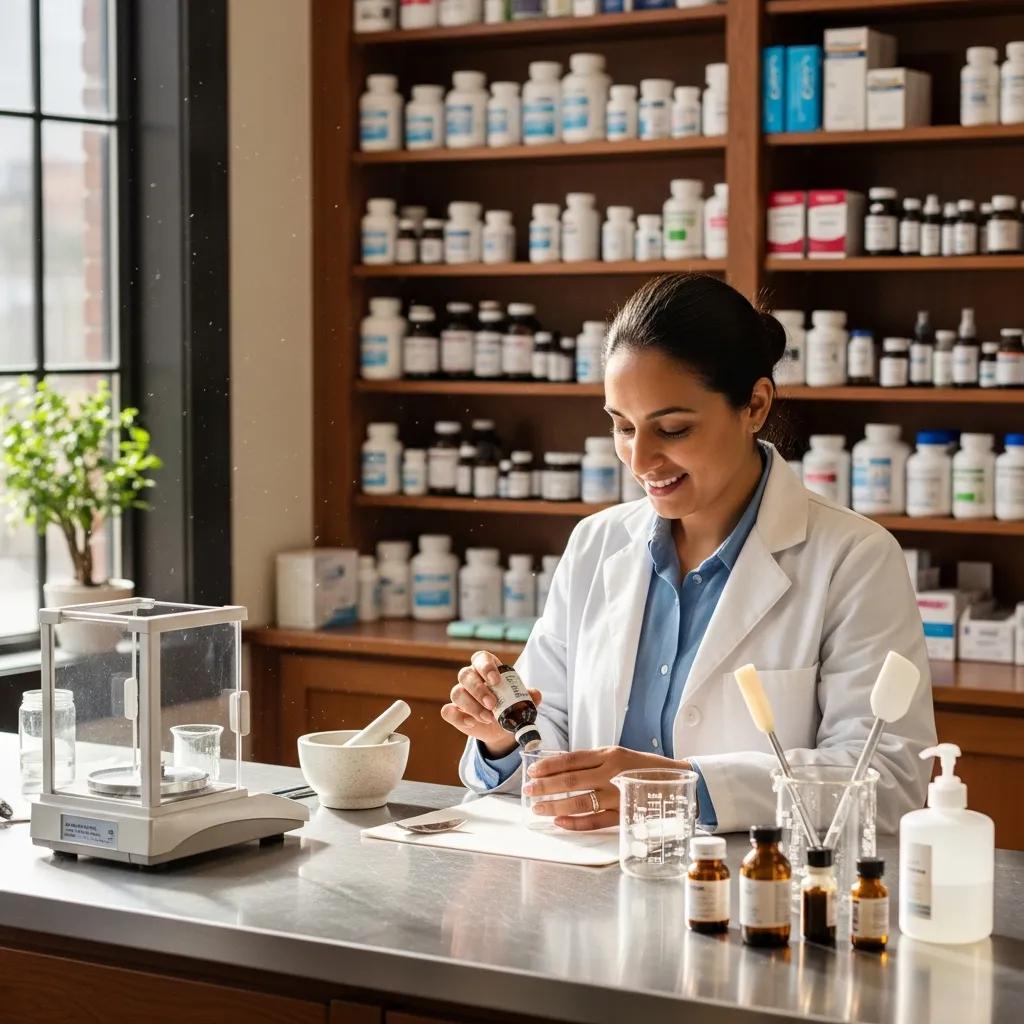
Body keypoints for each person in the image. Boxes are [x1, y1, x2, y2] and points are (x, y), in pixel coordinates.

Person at [441, 274, 936, 834]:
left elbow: (890, 778)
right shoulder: (596, 543)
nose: (641, 458)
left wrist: (680, 790)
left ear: (754, 404)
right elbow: (549, 730)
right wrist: (508, 736)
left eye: (672, 428)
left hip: (754, 895)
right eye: (623, 427)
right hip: (592, 895)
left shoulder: (854, 558)